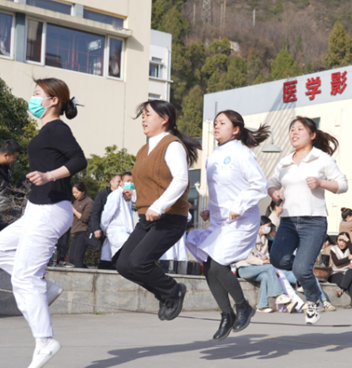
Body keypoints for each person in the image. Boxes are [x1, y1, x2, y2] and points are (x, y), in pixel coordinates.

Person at [0, 78, 86, 368]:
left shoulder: (57, 128)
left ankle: (45, 340)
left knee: (24, 278)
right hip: (36, 209)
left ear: (53, 100)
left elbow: (79, 159)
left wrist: (49, 175)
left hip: (50, 210)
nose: (32, 99)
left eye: (37, 94)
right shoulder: (45, 130)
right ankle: (47, 288)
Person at [116, 100, 201, 324]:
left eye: (148, 114)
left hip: (169, 218)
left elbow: (181, 180)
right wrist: (135, 196)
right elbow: (153, 185)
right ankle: (165, 294)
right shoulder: (144, 150)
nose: (143, 119)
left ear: (164, 119)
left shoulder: (172, 145)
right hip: (147, 218)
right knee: (124, 265)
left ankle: (173, 291)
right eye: (142, 115)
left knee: (138, 262)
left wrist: (158, 206)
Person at [186, 110, 267, 341]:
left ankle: (243, 306)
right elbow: (218, 191)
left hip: (242, 220)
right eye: (215, 123)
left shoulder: (242, 153)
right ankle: (226, 314)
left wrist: (239, 206)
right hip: (221, 221)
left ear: (235, 130)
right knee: (208, 265)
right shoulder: (213, 157)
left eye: (222, 123)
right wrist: (209, 210)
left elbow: (258, 184)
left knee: (219, 263)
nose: (216, 126)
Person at [268, 116, 348, 325]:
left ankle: (313, 300)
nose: (294, 133)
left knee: (302, 269)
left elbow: (342, 184)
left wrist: (321, 182)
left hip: (313, 222)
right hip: (288, 222)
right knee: (277, 259)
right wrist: (274, 191)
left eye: (300, 129)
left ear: (312, 135)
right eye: (292, 129)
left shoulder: (321, 158)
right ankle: (302, 270)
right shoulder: (285, 161)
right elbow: (271, 182)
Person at [237, 216, 293, 313]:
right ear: (260, 226)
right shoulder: (249, 237)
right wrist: (262, 262)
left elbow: (266, 254)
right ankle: (279, 295)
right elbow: (248, 258)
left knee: (265, 276)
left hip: (256, 268)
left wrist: (266, 258)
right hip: (244, 268)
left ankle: (262, 305)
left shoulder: (264, 239)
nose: (269, 228)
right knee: (269, 267)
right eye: (268, 226)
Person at [100, 172, 135, 267]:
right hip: (116, 231)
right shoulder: (115, 195)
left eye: (132, 181)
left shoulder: (129, 197)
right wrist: (104, 228)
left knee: (111, 259)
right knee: (121, 256)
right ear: (121, 182)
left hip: (124, 232)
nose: (131, 183)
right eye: (128, 181)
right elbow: (107, 214)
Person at [91, 174, 122, 269]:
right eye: (118, 181)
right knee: (106, 255)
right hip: (106, 230)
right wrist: (98, 228)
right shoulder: (103, 194)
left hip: (118, 231)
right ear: (111, 182)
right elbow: (96, 212)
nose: (120, 184)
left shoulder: (123, 194)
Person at [329, 232, 352, 310]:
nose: (341, 243)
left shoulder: (351, 248)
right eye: (339, 240)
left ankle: (341, 289)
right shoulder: (333, 249)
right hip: (336, 273)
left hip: (349, 273)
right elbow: (337, 263)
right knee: (350, 281)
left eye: (344, 241)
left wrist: (348, 241)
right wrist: (348, 258)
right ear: (337, 241)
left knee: (351, 271)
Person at [67, 183, 94, 268]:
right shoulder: (76, 202)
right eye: (73, 192)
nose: (74, 194)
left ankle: (86, 273)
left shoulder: (89, 202)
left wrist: (73, 210)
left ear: (83, 191)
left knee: (77, 259)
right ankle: (87, 271)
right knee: (71, 258)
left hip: (83, 232)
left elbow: (85, 218)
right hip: (75, 232)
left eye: (76, 192)